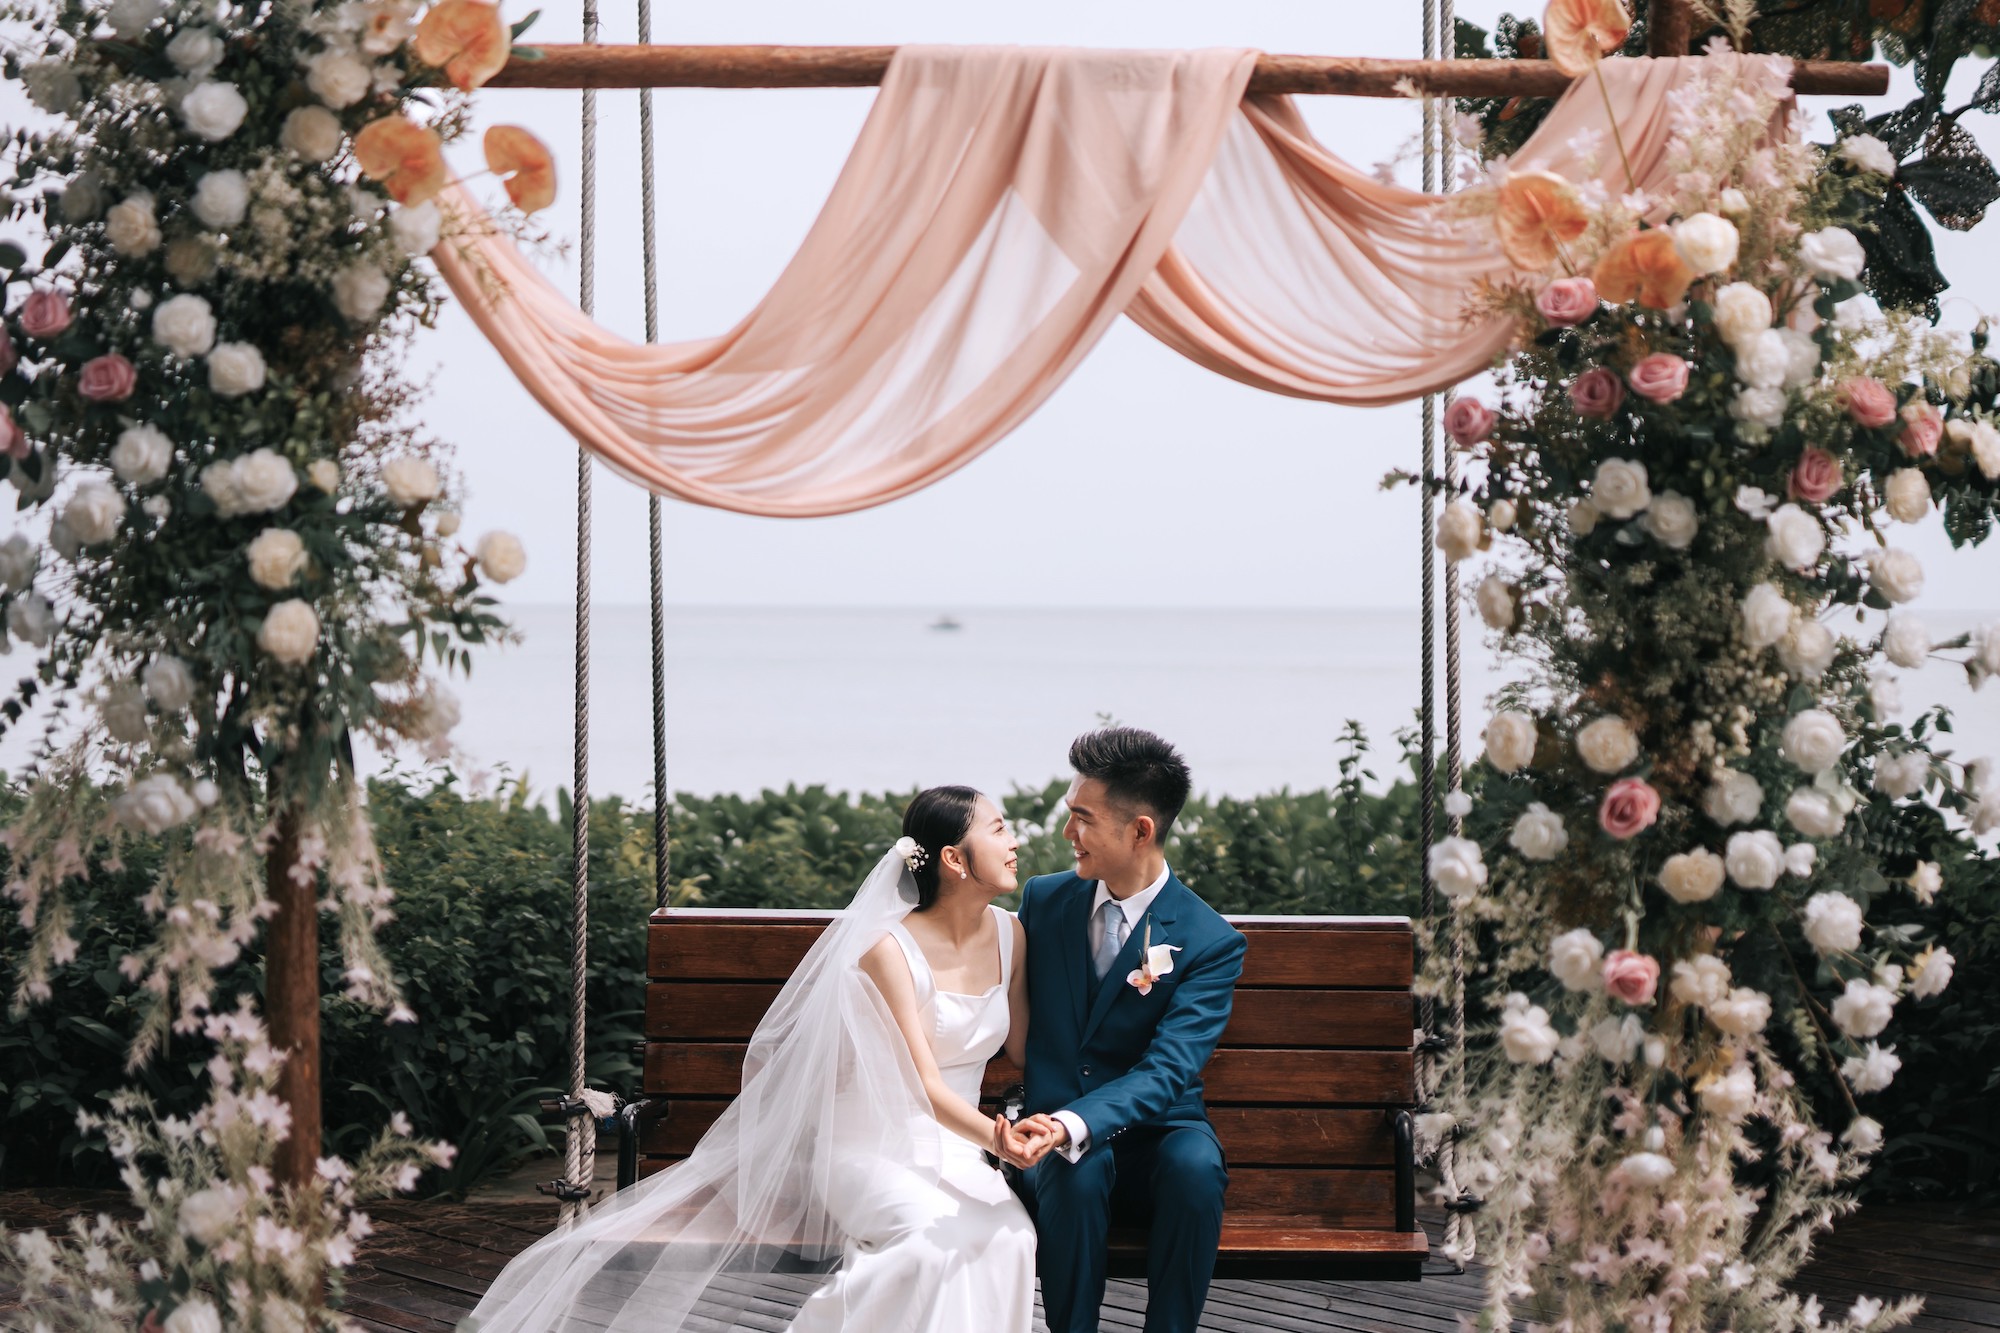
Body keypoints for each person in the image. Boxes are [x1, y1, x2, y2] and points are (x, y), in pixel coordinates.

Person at [462, 786, 1050, 1333]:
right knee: (927, 1242)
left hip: (956, 1148)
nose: (1014, 841)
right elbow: (921, 1084)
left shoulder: (1011, 936)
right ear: (954, 858)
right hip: (870, 1146)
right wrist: (1000, 1141)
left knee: (1008, 1236)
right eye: (999, 829)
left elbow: (1025, 1051)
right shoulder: (887, 949)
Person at [1015, 727, 1246, 1333]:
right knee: (1074, 1163)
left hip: (1158, 1135)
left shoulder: (1208, 941)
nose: (1067, 833)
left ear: (1140, 829)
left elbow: (1171, 1069)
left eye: (1083, 818)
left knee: (1197, 1166)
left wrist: (1076, 1120)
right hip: (1053, 1144)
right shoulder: (1043, 903)